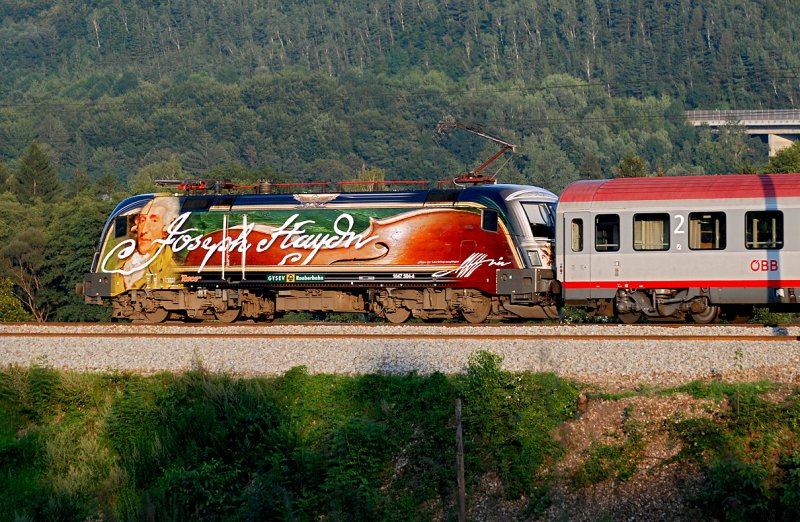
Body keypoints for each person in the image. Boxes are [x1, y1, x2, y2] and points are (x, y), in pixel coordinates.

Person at [121, 196, 180, 290]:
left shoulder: (167, 268)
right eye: (142, 220)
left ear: (166, 227)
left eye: (154, 221)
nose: (144, 230)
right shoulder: (123, 262)